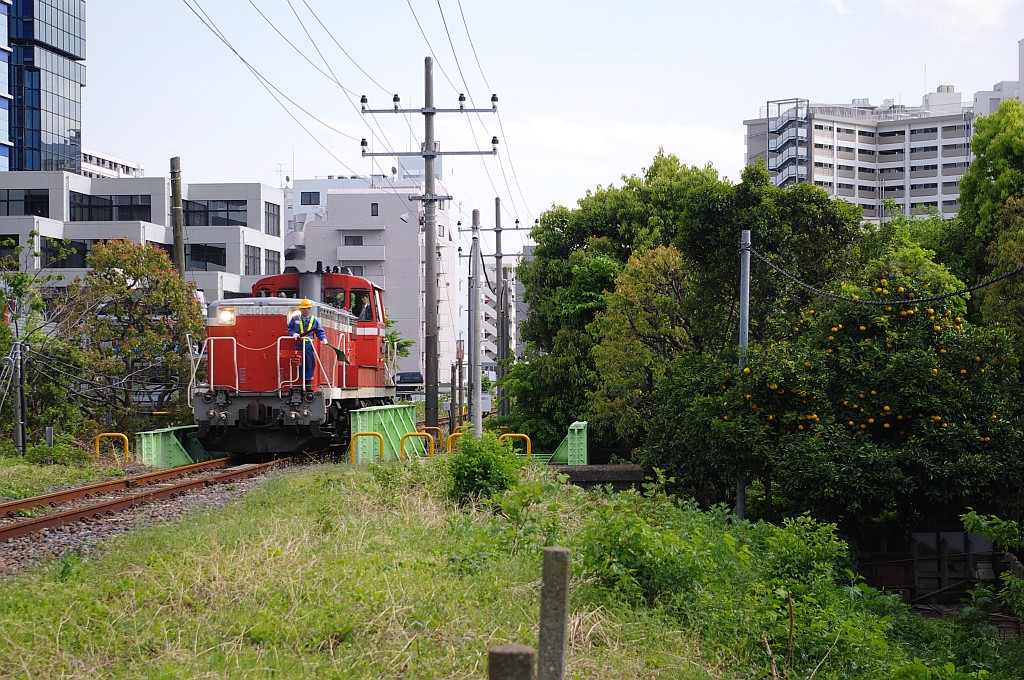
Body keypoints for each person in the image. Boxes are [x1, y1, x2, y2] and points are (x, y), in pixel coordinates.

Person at [286, 298, 326, 388]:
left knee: (309, 362)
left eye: (307, 308)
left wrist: (323, 338)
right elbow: (290, 328)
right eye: (303, 309)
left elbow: (319, 331)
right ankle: (301, 380)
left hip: (309, 345)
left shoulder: (313, 320)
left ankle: (307, 382)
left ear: (309, 309)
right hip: (299, 344)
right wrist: (294, 334)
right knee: (298, 362)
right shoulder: (295, 318)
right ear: (301, 309)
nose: (305, 310)